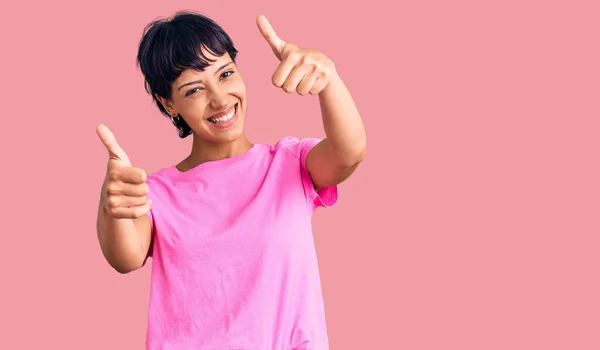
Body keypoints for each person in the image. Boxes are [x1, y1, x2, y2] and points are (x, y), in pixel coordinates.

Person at [95, 10, 366, 350]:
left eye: (225, 74)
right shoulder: (156, 192)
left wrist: (330, 80)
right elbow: (126, 257)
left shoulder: (289, 164)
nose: (220, 98)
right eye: (194, 90)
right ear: (169, 104)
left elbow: (349, 153)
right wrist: (112, 206)